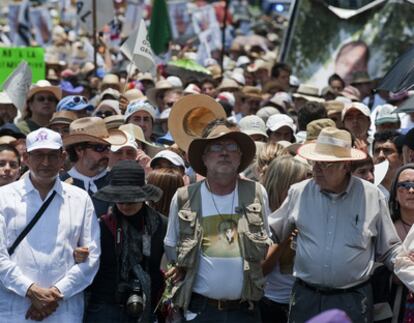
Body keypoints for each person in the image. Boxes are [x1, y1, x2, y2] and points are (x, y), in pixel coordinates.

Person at [269, 127, 401, 322]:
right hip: (306, 298)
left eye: (326, 164)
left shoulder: (371, 196)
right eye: (315, 162)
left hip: (353, 301)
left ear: (346, 166)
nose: (316, 169)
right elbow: (271, 232)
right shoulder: (299, 192)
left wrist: (406, 263)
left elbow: (389, 249)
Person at [164, 119, 272, 322]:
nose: (224, 152)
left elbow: (265, 245)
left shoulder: (257, 193)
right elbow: (171, 247)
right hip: (200, 309)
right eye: (216, 146)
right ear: (204, 158)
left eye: (232, 147)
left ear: (240, 157)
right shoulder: (184, 197)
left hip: (245, 309)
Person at [0, 127, 100, 322]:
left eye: (52, 155)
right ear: (26, 158)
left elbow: (92, 257)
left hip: (63, 310)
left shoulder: (80, 199)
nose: (45, 162)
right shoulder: (3, 198)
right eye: (38, 155)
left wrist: (56, 293)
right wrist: (29, 290)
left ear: (62, 158)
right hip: (14, 308)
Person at [84, 160, 167, 323]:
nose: (125, 205)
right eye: (119, 200)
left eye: (131, 200)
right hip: (105, 309)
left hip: (147, 308)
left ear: (143, 197)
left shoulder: (161, 225)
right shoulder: (100, 226)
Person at [260, 156, 311, 323]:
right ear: (286, 186)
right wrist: (286, 233)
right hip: (268, 303)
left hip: (302, 303)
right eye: (302, 184)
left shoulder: (308, 212)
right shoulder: (261, 215)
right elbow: (262, 268)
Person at [61, 117, 127, 216]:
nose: (107, 153)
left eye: (108, 147)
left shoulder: (120, 182)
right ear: (79, 150)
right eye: (99, 148)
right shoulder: (60, 185)